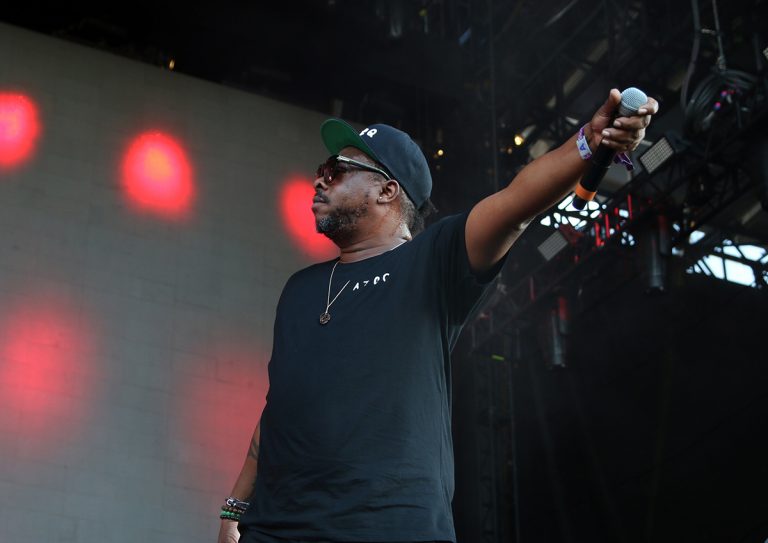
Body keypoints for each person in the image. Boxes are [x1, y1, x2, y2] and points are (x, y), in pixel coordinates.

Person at [217, 89, 658, 543]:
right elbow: (280, 406)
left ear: (387, 190)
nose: (320, 180)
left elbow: (516, 204)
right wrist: (234, 508)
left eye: (336, 170)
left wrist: (588, 142)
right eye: (322, 170)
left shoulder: (434, 259)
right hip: (275, 530)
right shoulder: (300, 289)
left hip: (389, 528)